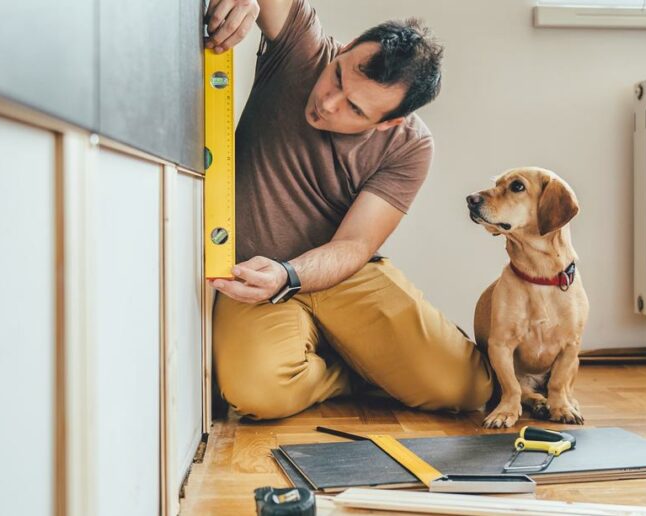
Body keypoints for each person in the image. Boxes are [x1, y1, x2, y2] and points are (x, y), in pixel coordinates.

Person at [203, 0, 493, 419]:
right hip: (252, 275)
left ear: (389, 122)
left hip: (340, 273)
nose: (329, 103)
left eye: (356, 109)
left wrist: (291, 274)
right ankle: (352, 372)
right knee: (258, 393)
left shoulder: (410, 146)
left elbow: (356, 244)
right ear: (349, 47)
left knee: (468, 388)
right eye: (338, 77)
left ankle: (363, 357)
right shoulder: (302, 49)